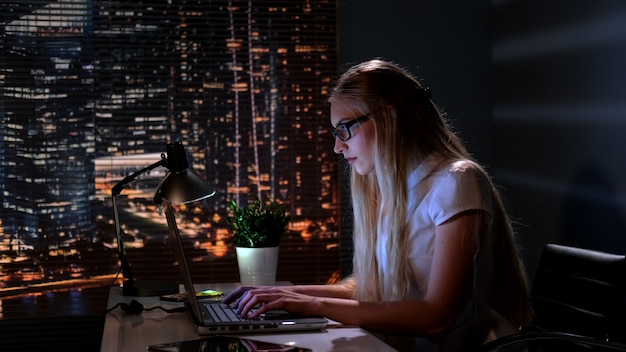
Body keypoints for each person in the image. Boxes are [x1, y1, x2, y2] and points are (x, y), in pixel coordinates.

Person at [223, 59, 533, 351]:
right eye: (335, 132)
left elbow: (437, 316)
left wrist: (311, 305)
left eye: (345, 128)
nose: (337, 146)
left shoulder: (456, 180)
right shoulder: (388, 190)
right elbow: (370, 289)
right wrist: (286, 294)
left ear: (389, 117)